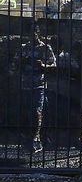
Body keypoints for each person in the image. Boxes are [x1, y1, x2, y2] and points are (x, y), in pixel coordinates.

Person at [19, 24, 56, 153]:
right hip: (25, 85)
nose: (32, 35)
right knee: (25, 113)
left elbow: (53, 65)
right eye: (29, 33)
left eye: (34, 33)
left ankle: (35, 139)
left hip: (39, 85)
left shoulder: (45, 48)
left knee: (36, 112)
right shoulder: (23, 48)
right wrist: (22, 62)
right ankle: (27, 140)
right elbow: (14, 65)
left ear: (38, 33)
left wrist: (42, 65)